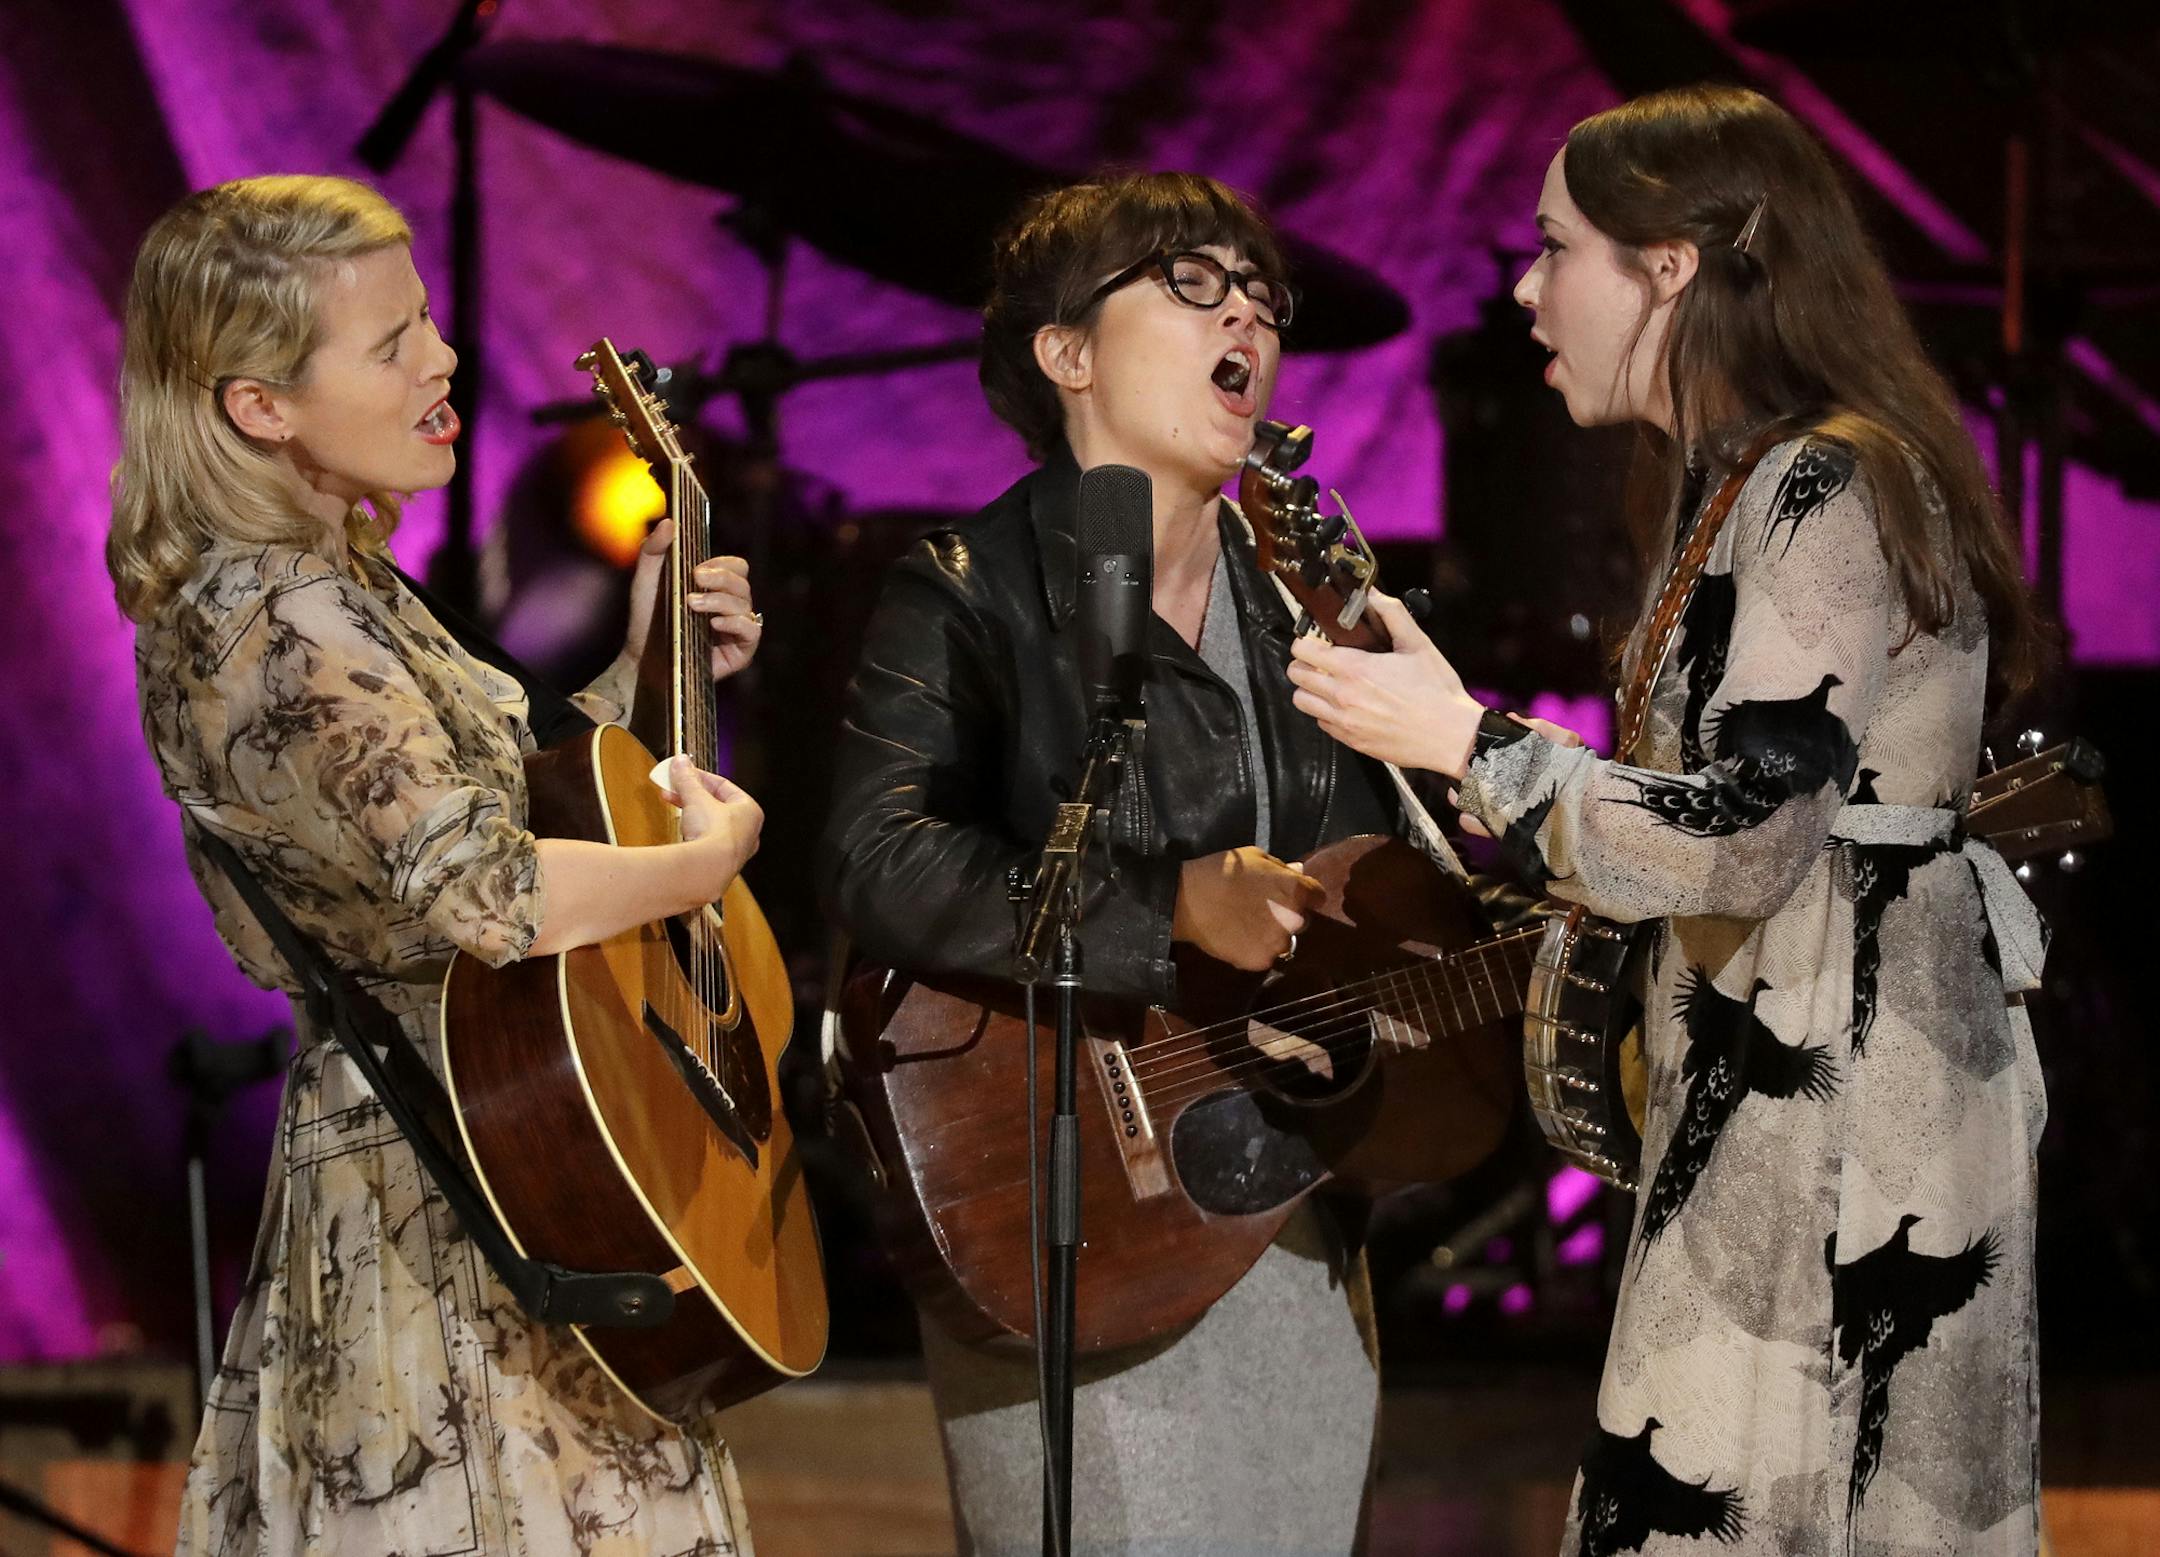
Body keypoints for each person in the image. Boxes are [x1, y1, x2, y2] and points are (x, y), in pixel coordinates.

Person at [1288, 86, 2050, 1553]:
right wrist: (1463, 742)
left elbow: (1749, 837)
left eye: (1552, 248)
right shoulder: (1742, 480)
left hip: (1848, 1082)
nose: (1525, 290)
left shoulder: (1823, 480)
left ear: (1670, 267)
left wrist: (1475, 745)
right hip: (1789, 1048)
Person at [109, 175, 767, 1555]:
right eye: (391, 341)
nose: (445, 358)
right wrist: (704, 864)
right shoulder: (273, 622)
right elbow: (497, 893)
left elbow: (491, 812)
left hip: (516, 1144)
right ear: (259, 406)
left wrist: (652, 662)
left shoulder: (334, 585)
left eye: (428, 324)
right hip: (443, 1185)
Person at [820, 171, 1437, 1555]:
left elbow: (1399, 880)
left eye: (1263, 296)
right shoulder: (970, 589)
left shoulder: (1311, 603)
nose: (1247, 318)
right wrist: (1165, 912)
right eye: (1192, 284)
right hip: (1061, 1207)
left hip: (1281, 1208)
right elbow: (876, 853)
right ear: (1068, 352)